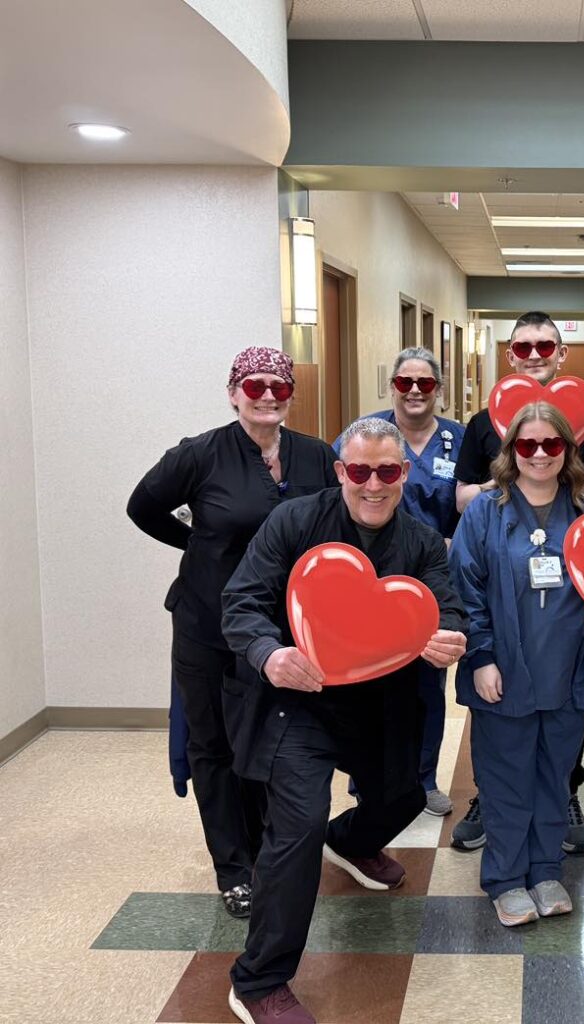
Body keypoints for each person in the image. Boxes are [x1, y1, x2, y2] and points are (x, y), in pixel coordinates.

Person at [221, 417, 468, 1024]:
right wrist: (268, 653)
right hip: (300, 698)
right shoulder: (294, 522)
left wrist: (447, 638)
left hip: (381, 702)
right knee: (298, 827)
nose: (374, 485)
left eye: (387, 471)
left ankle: (351, 842)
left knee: (406, 796)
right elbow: (241, 600)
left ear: (404, 474)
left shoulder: (420, 541)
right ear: (340, 472)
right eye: (360, 471)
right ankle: (257, 981)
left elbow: (450, 608)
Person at [127, 346, 339, 919]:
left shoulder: (316, 456)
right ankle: (233, 867)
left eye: (279, 386)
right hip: (207, 626)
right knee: (213, 745)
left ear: (291, 395)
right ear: (233, 392)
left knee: (268, 741)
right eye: (255, 385)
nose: (268, 395)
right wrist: (198, 546)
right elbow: (142, 507)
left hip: (279, 632)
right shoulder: (199, 455)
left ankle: (271, 851)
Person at [451, 311, 584, 853]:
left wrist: (569, 500)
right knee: (504, 739)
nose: (534, 353)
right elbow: (461, 498)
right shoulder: (483, 426)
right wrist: (513, 492)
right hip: (505, 580)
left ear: (560, 351)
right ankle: (493, 806)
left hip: (567, 627)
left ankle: (563, 801)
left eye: (545, 344)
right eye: (523, 345)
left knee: (559, 737)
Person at [333, 347, 465, 816]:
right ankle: (363, 777)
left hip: (431, 579)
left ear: (438, 390)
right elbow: (342, 498)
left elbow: (473, 504)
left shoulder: (459, 440)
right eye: (405, 382)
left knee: (426, 687)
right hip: (368, 584)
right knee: (363, 682)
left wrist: (456, 541)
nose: (414, 391)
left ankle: (422, 779)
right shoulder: (366, 435)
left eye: (425, 383)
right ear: (391, 386)